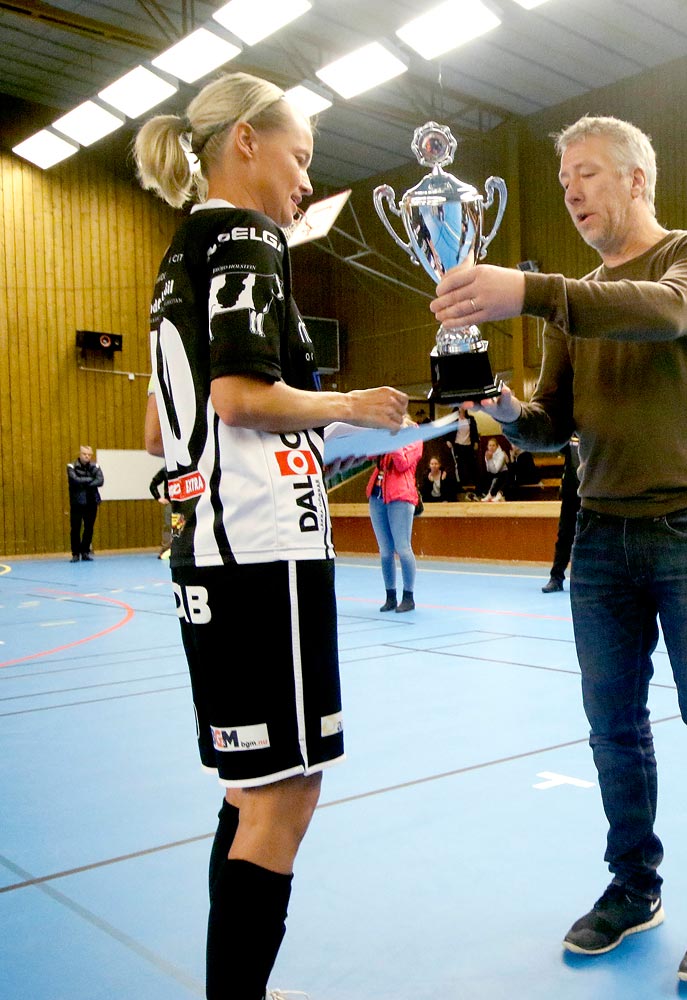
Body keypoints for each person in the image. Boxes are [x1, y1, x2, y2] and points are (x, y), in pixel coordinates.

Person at [431, 114, 687, 987]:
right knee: (613, 730)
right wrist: (499, 405)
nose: (571, 191)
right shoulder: (571, 303)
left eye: (587, 174)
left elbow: (665, 314)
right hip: (603, 538)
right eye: (565, 178)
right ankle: (633, 885)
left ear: (636, 179)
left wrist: (532, 289)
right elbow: (553, 424)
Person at [134, 72, 407, 1000]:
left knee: (251, 788)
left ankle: (234, 988)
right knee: (290, 792)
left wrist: (313, 438)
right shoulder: (248, 238)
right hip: (263, 552)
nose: (303, 182)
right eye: (300, 158)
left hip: (209, 545)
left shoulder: (183, 251)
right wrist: (352, 405)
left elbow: (160, 428)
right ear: (245, 140)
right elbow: (242, 398)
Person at [367, 429, 423, 613]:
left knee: (403, 548)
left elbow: (402, 463)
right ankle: (390, 596)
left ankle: (408, 597)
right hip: (377, 495)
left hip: (400, 496)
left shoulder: (414, 436)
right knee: (385, 551)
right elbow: (370, 454)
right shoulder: (384, 432)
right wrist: (380, 435)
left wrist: (394, 439)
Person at [544, 434, 581, 592]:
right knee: (564, 535)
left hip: (593, 493)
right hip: (571, 493)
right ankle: (556, 577)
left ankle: (590, 581)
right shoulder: (569, 437)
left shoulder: (596, 433)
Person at [67, 444, 103, 562]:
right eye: (84, 454)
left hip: (92, 502)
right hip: (77, 502)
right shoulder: (71, 466)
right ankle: (75, 553)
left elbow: (100, 480)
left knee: (89, 528)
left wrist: (84, 482)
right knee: (76, 528)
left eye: (89, 454)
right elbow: (75, 480)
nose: (87, 456)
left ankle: (85, 552)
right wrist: (90, 480)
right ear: (80, 454)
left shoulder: (95, 466)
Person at [451, 406, 480, 492]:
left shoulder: (470, 418)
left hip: (468, 444)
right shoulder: (455, 419)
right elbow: (449, 432)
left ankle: (473, 483)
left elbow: (474, 431)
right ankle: (462, 483)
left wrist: (476, 442)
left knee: (471, 464)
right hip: (458, 444)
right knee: (460, 464)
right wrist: (448, 440)